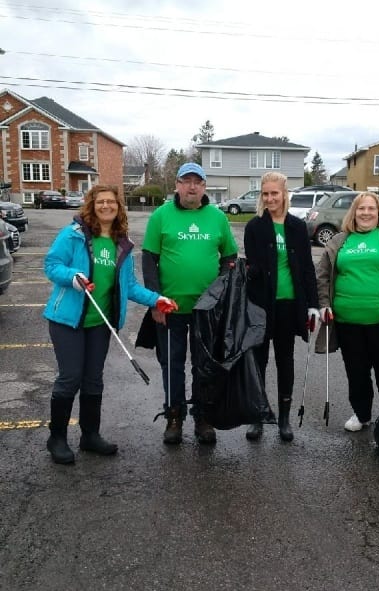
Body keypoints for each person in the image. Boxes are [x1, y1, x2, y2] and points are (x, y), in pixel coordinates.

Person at [43, 184, 177, 465]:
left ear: (119, 207)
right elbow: (52, 264)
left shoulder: (121, 242)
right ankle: (57, 438)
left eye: (111, 202)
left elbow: (128, 285)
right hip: (67, 320)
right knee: (70, 378)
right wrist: (73, 277)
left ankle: (90, 436)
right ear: (91, 205)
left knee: (93, 379)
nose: (106, 206)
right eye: (100, 202)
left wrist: (157, 299)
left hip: (99, 324)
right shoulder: (74, 234)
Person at [142, 162, 238, 445]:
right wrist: (155, 301)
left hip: (207, 311)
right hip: (170, 309)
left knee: (204, 366)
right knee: (172, 364)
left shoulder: (217, 218)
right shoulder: (161, 216)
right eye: (186, 181)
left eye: (198, 181)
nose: (192, 186)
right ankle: (174, 416)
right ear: (177, 185)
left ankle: (203, 417)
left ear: (204, 187)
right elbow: (148, 260)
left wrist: (219, 294)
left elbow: (229, 260)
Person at [315, 192, 379, 432]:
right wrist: (324, 304)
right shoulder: (339, 241)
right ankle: (361, 414)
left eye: (371, 208)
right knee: (356, 372)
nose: (366, 213)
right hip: (347, 320)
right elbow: (322, 275)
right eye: (361, 208)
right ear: (354, 212)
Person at [244, 171, 319, 442]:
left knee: (285, 360)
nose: (270, 198)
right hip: (262, 306)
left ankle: (284, 418)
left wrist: (313, 304)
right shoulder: (254, 227)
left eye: (275, 193)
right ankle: (259, 415)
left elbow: (307, 269)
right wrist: (247, 272)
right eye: (265, 194)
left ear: (284, 194)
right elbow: (252, 265)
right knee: (259, 361)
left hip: (289, 304)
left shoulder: (298, 227)